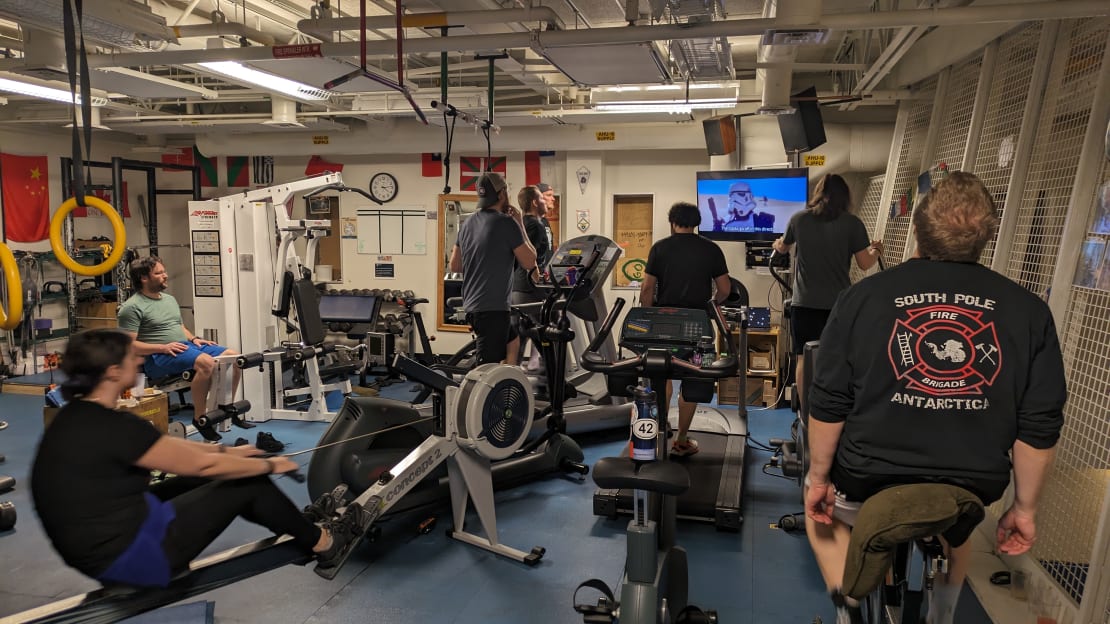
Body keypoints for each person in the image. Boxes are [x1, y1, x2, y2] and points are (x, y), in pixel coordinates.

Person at [804, 172, 1067, 624]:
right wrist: (1024, 510)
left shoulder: (861, 298)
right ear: (985, 236)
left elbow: (829, 401)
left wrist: (818, 479)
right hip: (971, 480)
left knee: (820, 514)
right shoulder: (1029, 311)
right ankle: (942, 614)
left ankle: (846, 603)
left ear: (919, 230)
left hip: (866, 473)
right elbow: (1038, 425)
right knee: (956, 522)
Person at [31, 329, 353, 589]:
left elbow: (171, 451)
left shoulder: (74, 416)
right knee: (247, 483)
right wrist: (268, 464)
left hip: (101, 548)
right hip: (130, 559)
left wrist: (227, 451)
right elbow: (202, 465)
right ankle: (324, 543)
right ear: (114, 372)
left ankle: (298, 524)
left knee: (212, 475)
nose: (138, 362)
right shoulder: (115, 425)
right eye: (132, 358)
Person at [772, 173, 883, 396]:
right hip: (838, 306)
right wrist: (877, 249)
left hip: (804, 304)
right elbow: (865, 264)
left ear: (818, 193)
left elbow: (782, 248)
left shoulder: (798, 219)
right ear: (844, 196)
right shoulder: (853, 223)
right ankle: (831, 410)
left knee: (804, 358)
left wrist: (778, 243)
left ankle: (805, 415)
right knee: (837, 360)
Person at [640, 202, 731, 457]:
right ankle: (681, 439)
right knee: (693, 380)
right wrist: (710, 304)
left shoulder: (659, 248)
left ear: (672, 222)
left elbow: (647, 290)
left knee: (662, 374)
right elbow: (724, 289)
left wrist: (650, 316)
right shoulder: (711, 249)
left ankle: (659, 430)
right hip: (698, 325)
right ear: (696, 223)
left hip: (664, 323)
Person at [117, 256, 239, 441]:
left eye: (164, 271)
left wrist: (195, 339)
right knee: (206, 363)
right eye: (159, 273)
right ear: (144, 278)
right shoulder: (131, 308)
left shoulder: (169, 300)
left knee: (234, 357)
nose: (165, 276)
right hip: (159, 357)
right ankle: (200, 418)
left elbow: (179, 326)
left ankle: (227, 405)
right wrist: (163, 347)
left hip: (185, 346)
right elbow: (130, 345)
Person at [449, 172, 538, 366]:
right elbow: (530, 261)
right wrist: (520, 225)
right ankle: (484, 394)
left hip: (473, 305)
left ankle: (510, 381)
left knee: (513, 340)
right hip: (493, 308)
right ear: (502, 194)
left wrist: (485, 259)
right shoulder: (506, 223)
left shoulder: (468, 223)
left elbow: (455, 265)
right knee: (486, 367)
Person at [512, 185, 553, 371]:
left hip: (519, 286)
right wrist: (540, 282)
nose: (547, 202)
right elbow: (529, 259)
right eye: (543, 199)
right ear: (535, 202)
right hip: (529, 287)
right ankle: (553, 380)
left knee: (521, 334)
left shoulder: (527, 224)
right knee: (546, 334)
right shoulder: (535, 225)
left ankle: (508, 379)